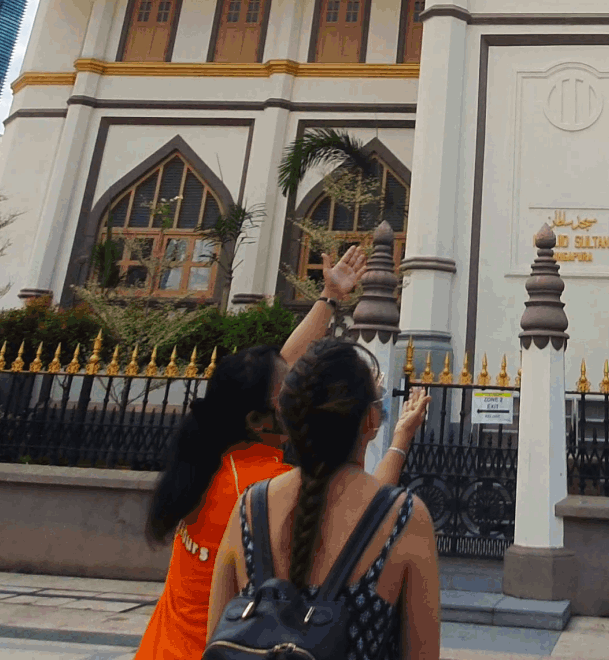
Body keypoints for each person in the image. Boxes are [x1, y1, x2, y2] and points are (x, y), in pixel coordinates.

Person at [133, 246, 429, 660]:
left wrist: (329, 298)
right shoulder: (255, 489)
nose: (295, 390)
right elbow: (366, 521)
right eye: (286, 390)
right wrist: (397, 439)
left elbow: (280, 370)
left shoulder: (216, 457)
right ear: (259, 419)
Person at [207, 338, 440, 660]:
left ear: (288, 419)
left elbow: (215, 641)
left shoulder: (250, 507)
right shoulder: (406, 517)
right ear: (371, 420)